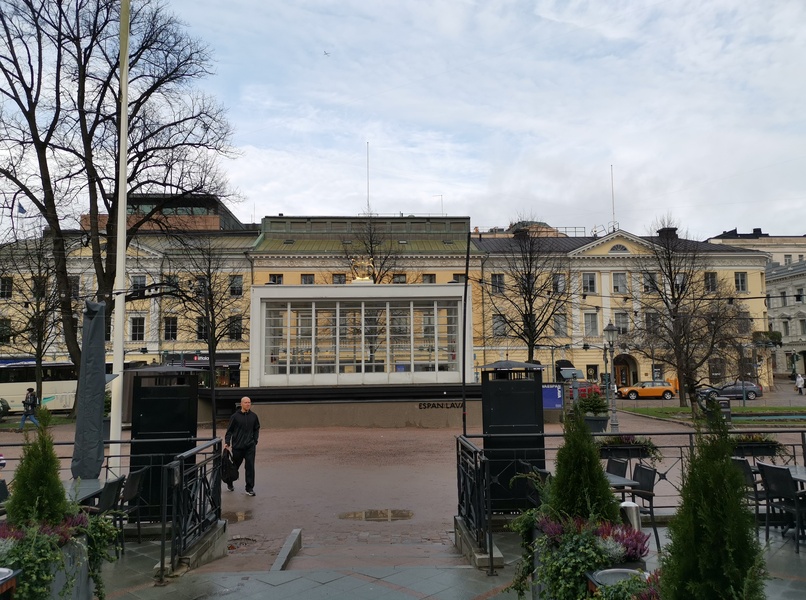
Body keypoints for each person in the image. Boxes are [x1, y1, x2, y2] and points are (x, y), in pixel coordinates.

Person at [224, 396, 260, 496]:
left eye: (249, 402)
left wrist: (255, 440)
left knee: (250, 467)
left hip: (250, 446)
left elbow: (256, 428)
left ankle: (249, 488)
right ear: (241, 404)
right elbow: (229, 431)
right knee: (234, 467)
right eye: (246, 402)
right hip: (238, 447)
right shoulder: (235, 417)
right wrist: (227, 442)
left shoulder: (254, 416)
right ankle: (229, 482)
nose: (248, 404)